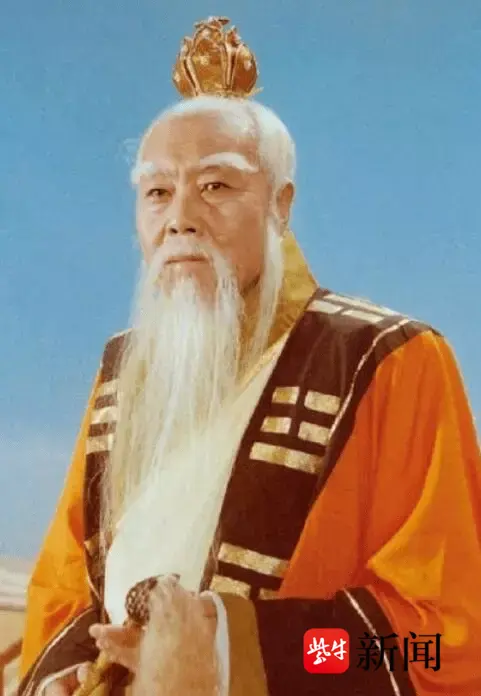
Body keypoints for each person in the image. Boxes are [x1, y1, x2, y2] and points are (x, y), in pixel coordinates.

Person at [18, 16, 481, 696]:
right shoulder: (122, 370)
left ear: (280, 206)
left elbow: (439, 642)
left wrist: (225, 649)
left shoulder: (387, 360)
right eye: (157, 192)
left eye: (216, 186)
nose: (180, 217)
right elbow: (60, 593)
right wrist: (70, 677)